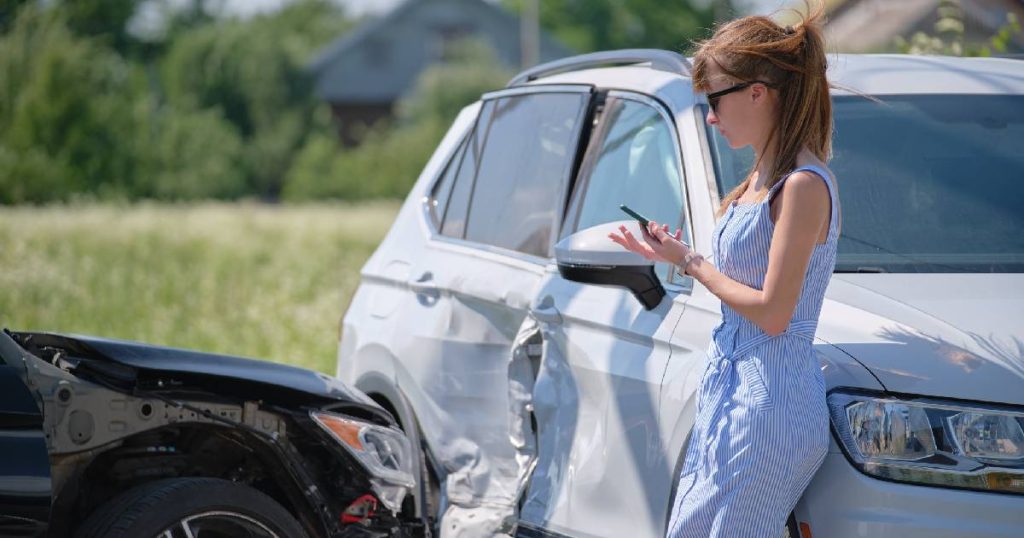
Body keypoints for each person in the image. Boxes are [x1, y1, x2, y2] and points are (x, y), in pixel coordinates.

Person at [609, 4, 839, 537]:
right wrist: (676, 254)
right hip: (735, 396)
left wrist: (690, 263)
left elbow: (774, 312)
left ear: (757, 92)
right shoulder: (761, 177)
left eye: (715, 99)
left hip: (771, 406)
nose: (711, 116)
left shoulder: (803, 185)